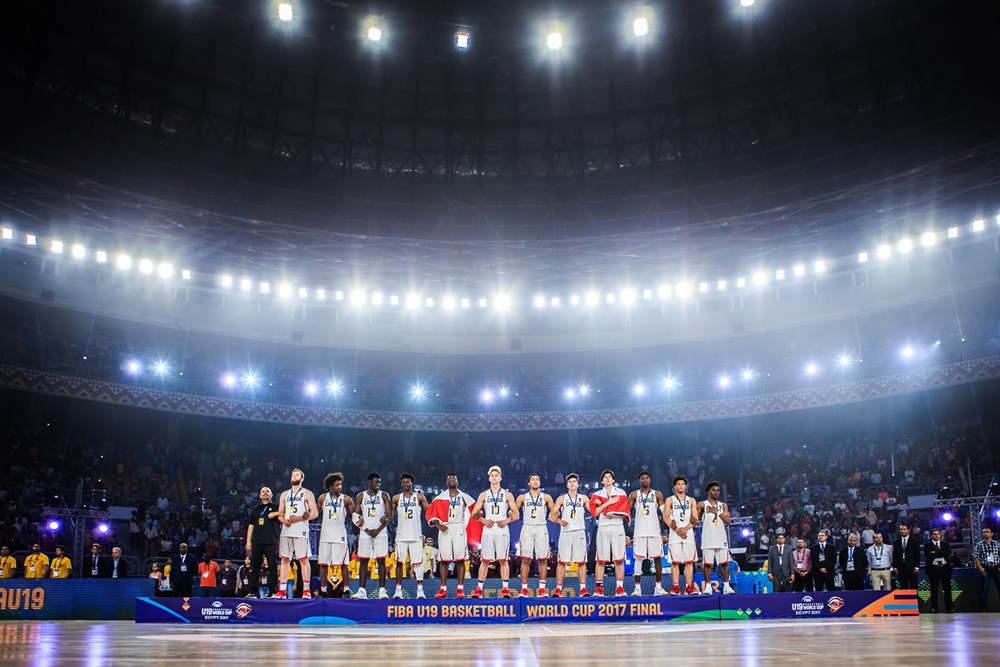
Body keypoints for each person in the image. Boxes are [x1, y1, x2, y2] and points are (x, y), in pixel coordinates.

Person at [470, 466, 520, 598]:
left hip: (502, 528)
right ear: (489, 478)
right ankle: (479, 589)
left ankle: (505, 589)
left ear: (500, 478)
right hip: (488, 529)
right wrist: (483, 520)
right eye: (492, 475)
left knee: (503, 560)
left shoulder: (507, 494)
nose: (494, 477)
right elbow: (473, 513)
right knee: (485, 560)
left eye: (496, 475)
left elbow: (516, 514)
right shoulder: (484, 494)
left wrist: (507, 520)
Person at [426, 472, 475, 599]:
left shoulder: (465, 497)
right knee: (444, 560)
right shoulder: (440, 498)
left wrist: (466, 525)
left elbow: (474, 510)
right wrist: (438, 525)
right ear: (446, 482)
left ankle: (460, 589)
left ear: (458, 482)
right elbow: (431, 514)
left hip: (459, 527)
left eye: (454, 478)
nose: (452, 480)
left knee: (460, 559)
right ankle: (443, 589)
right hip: (445, 528)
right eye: (449, 478)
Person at [276, 468, 319, 599]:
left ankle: (306, 591)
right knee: (284, 559)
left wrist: (299, 518)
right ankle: (282, 590)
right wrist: (283, 520)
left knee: (303, 560)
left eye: (297, 475)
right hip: (286, 530)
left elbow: (315, 513)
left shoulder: (307, 493)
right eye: (293, 474)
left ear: (302, 479)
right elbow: (280, 513)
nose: (294, 476)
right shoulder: (284, 494)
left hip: (301, 529)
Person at [352, 472, 393, 600]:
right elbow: (355, 516)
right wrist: (366, 529)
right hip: (365, 533)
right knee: (363, 561)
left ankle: (382, 590)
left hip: (380, 533)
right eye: (376, 482)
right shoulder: (361, 496)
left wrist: (379, 528)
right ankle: (362, 591)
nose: (378, 484)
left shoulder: (384, 495)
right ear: (369, 482)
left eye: (379, 482)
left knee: (381, 561)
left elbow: (390, 515)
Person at [590, 469, 629, 597]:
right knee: (601, 559)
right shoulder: (596, 494)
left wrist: (605, 508)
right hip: (603, 526)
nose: (607, 479)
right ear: (602, 481)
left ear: (613, 480)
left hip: (617, 526)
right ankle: (599, 588)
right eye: (605, 477)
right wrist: (610, 503)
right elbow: (595, 513)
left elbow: (624, 512)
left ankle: (619, 587)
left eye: (609, 477)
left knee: (619, 559)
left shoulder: (621, 493)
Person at [515, 473, 555, 597]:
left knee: (543, 560)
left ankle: (542, 589)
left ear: (540, 482)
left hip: (541, 527)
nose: (535, 481)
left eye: (537, 479)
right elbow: (514, 512)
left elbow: (554, 511)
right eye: (532, 479)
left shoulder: (546, 497)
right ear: (528, 483)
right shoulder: (522, 497)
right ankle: (524, 589)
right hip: (527, 527)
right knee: (525, 559)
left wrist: (556, 516)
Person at [550, 473, 589, 597]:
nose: (572, 483)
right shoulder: (562, 499)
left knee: (581, 562)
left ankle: (583, 589)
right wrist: (560, 521)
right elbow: (551, 516)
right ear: (567, 484)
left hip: (579, 531)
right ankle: (558, 589)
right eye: (570, 481)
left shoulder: (583, 498)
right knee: (562, 561)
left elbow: (594, 512)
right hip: (566, 532)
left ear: (578, 484)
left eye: (574, 481)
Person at [317, 472, 355, 599]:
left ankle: (346, 590)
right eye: (337, 485)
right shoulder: (323, 498)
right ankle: (323, 591)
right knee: (323, 563)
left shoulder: (346, 499)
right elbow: (316, 514)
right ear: (330, 486)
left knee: (344, 563)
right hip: (325, 534)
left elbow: (355, 514)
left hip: (340, 535)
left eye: (340, 484)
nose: (340, 487)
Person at [392, 473, 429, 599]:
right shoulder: (396, 498)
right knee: (399, 563)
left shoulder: (419, 497)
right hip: (401, 535)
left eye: (408, 482)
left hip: (415, 534)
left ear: (412, 483)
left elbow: (428, 511)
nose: (405, 484)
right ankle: (398, 590)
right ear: (401, 484)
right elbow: (390, 515)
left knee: (418, 563)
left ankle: (420, 590)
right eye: (403, 482)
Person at [629, 472, 666, 596]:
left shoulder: (657, 494)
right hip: (639, 531)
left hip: (654, 530)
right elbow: (626, 512)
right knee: (638, 559)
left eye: (647, 478)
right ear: (639, 480)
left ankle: (658, 587)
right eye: (642, 478)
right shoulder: (634, 495)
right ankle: (637, 588)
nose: (645, 479)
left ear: (650, 480)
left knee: (657, 559)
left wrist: (671, 525)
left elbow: (664, 512)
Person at [666, 475, 700, 595]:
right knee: (675, 562)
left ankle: (689, 587)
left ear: (686, 486)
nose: (680, 486)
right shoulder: (670, 500)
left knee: (689, 561)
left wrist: (684, 529)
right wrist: (677, 530)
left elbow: (695, 518)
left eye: (682, 484)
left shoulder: (691, 500)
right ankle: (675, 587)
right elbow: (665, 517)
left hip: (688, 533)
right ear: (674, 486)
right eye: (678, 484)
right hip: (674, 534)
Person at [698, 481, 734, 594]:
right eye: (713, 490)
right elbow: (693, 519)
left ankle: (726, 586)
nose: (716, 492)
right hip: (708, 538)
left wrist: (717, 512)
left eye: (718, 490)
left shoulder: (723, 506)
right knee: (707, 564)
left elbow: (728, 521)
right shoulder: (702, 504)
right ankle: (708, 587)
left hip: (721, 538)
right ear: (708, 491)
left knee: (724, 563)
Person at [246, 486, 281, 598]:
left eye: (267, 491)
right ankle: (253, 591)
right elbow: (251, 525)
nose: (265, 493)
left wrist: (275, 514)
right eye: (263, 491)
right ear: (260, 495)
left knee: (272, 566)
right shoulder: (255, 509)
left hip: (271, 541)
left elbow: (285, 513)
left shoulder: (276, 507)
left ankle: (272, 591)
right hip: (256, 541)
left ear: (271, 495)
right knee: (255, 566)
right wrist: (248, 541)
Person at [924, 529, 953, 613]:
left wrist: (935, 551)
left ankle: (949, 608)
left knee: (947, 589)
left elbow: (948, 552)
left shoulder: (945, 544)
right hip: (933, 570)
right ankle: (934, 608)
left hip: (945, 569)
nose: (936, 535)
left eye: (938, 534)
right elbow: (928, 555)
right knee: (934, 589)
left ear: (940, 535)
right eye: (934, 534)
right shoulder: (927, 545)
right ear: (931, 535)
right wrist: (940, 552)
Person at [973, 527, 1000, 612]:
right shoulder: (979, 544)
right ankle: (983, 608)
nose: (985, 533)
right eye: (984, 532)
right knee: (984, 590)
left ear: (991, 533)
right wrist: (980, 568)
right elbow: (976, 557)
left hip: (996, 567)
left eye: (987, 532)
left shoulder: (997, 544)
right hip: (985, 568)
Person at [892, 523, 921, 590]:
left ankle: (914, 600)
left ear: (908, 530)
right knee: (903, 585)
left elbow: (917, 554)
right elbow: (895, 555)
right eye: (901, 529)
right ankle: (904, 600)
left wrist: (917, 566)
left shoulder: (914, 541)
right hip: (901, 567)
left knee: (913, 584)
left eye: (904, 529)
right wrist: (895, 566)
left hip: (912, 566)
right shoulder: (896, 542)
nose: (902, 531)